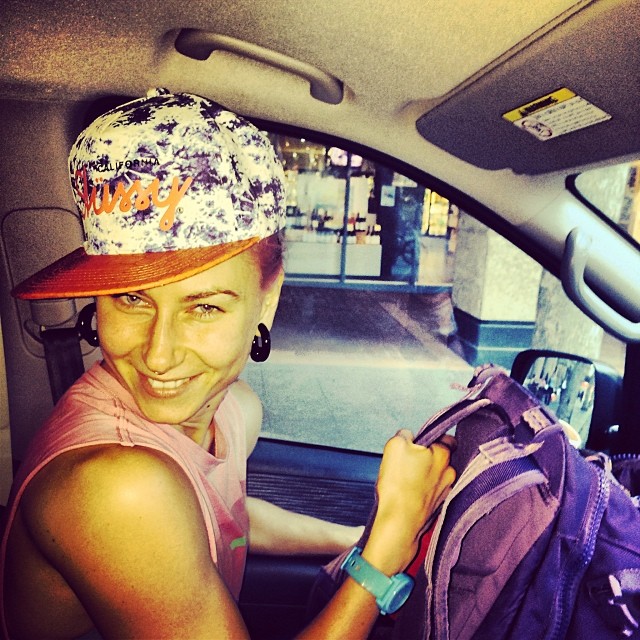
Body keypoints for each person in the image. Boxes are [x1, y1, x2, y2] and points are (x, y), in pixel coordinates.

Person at [0, 89, 456, 639]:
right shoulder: (118, 488)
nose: (158, 355)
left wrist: (351, 540)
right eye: (131, 299)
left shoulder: (233, 410)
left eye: (204, 307)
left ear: (267, 299)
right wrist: (386, 547)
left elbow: (224, 521)